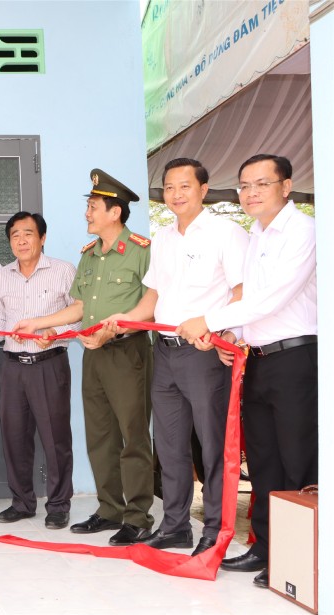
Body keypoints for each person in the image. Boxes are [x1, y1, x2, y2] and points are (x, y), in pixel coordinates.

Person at [177, 154, 317, 588]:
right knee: (264, 461)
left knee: (298, 462)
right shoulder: (255, 234)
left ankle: (300, 556)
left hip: (295, 360)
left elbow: (273, 298)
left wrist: (211, 320)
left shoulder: (304, 232)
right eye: (244, 185)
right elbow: (249, 301)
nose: (251, 192)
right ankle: (265, 546)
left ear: (287, 186)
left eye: (262, 183)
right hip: (256, 359)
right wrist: (232, 334)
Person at [104, 158, 248, 556]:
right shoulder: (163, 238)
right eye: (169, 187)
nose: (176, 194)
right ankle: (175, 526)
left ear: (204, 189)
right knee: (168, 445)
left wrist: (221, 333)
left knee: (212, 445)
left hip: (204, 355)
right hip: (164, 354)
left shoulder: (227, 233)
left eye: (185, 186)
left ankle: (216, 530)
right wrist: (126, 319)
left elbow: (241, 294)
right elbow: (153, 297)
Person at [14, 169, 154, 545]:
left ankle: (138, 515)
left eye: (93, 207)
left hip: (128, 353)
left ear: (115, 213)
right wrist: (40, 324)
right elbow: (78, 308)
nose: (87, 214)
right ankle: (110, 508)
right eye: (88, 206)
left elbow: (153, 303)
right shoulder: (89, 256)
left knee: (133, 435)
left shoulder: (142, 250)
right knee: (100, 435)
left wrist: (120, 326)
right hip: (93, 353)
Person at [0, 212, 78, 529]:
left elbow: (79, 316)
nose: (21, 240)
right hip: (12, 367)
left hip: (49, 365)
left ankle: (59, 504)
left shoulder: (63, 271)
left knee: (55, 438)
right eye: (15, 235)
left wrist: (56, 333)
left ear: (42, 238)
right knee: (15, 437)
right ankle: (22, 502)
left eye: (28, 234)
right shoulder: (2, 276)